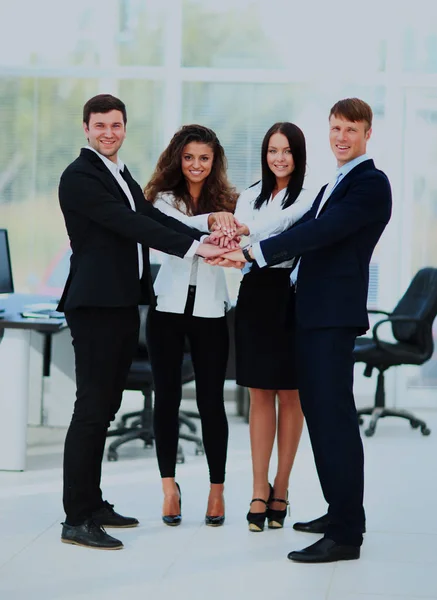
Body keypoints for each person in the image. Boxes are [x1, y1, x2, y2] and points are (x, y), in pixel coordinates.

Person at [214, 98, 392, 562]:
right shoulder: (338, 181)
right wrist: (239, 238)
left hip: (330, 315)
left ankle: (345, 534)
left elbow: (319, 233)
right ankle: (342, 513)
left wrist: (254, 254)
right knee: (325, 419)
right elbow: (296, 223)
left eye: (350, 130)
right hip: (311, 313)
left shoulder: (371, 184)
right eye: (334, 128)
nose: (340, 137)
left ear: (368, 133)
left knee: (333, 422)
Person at [57, 94, 225, 551]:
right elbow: (131, 225)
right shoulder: (79, 177)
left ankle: (93, 503)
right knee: (92, 408)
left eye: (116, 125)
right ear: (86, 128)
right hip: (95, 306)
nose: (109, 132)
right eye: (100, 125)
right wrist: (195, 250)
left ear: (125, 128)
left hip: (120, 304)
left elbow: (149, 215)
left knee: (105, 406)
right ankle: (77, 517)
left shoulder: (117, 172)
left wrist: (202, 236)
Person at [217, 122, 313, 532]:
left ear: (298, 155)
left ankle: (282, 487)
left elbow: (284, 225)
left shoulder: (309, 195)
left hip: (290, 296)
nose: (279, 158)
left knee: (291, 395)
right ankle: (259, 488)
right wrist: (235, 239)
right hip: (255, 294)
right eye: (273, 150)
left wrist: (246, 233)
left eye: (287, 151)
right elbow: (239, 247)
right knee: (259, 394)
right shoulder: (250, 195)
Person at [144, 124, 238, 527]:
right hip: (166, 308)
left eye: (204, 158)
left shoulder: (232, 202)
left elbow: (238, 243)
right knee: (165, 398)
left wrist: (225, 217)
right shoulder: (163, 199)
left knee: (210, 401)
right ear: (177, 159)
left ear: (214, 161)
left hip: (211, 311)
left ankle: (217, 490)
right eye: (188, 157)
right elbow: (171, 232)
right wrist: (212, 221)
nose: (196, 165)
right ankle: (169, 487)